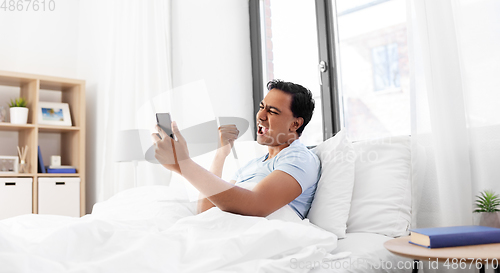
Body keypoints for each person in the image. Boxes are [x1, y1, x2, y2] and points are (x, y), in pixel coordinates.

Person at [152, 80, 320, 219]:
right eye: (262, 107)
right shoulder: (250, 167)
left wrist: (184, 165)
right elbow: (206, 210)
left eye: (272, 111)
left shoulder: (300, 158)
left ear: (295, 124)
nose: (261, 116)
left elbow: (256, 205)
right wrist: (221, 154)